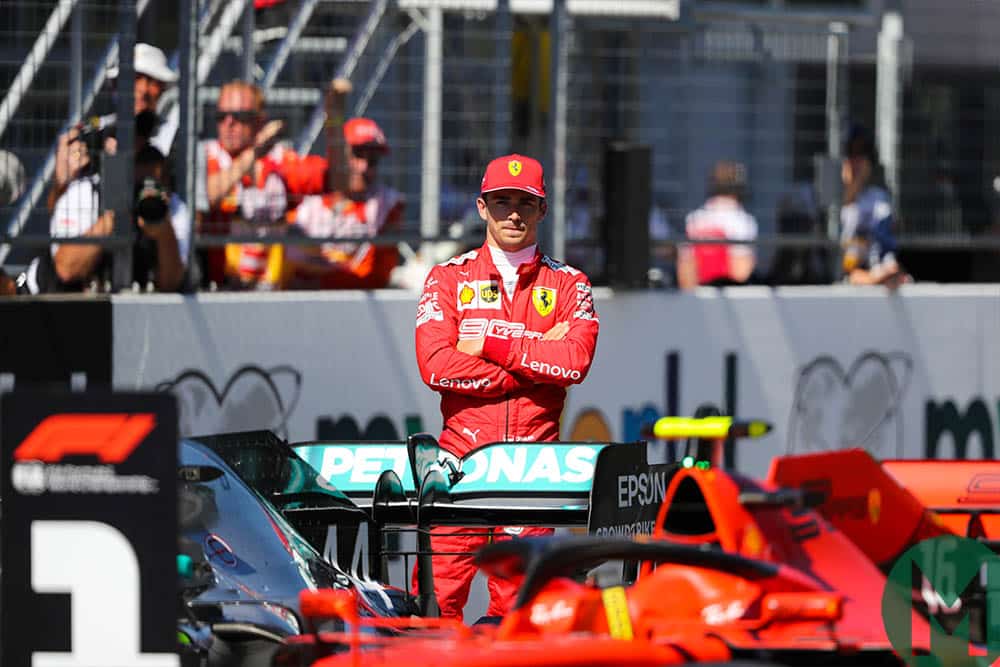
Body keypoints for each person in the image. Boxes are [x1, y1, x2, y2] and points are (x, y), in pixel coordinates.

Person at [413, 153, 600, 620]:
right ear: (481, 207)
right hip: (459, 466)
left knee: (518, 622)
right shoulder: (447, 278)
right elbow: (435, 366)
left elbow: (574, 362)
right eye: (501, 202)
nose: (513, 213)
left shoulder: (571, 284)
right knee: (431, 615)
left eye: (525, 202)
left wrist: (489, 342)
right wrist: (533, 356)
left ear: (543, 210)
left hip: (532, 471)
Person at [23, 111, 190, 294]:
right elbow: (66, 269)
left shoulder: (174, 208)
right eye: (136, 157)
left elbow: (171, 283)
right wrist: (114, 216)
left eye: (150, 156)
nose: (143, 173)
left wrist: (163, 230)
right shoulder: (84, 193)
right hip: (51, 303)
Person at [288, 115, 405, 289]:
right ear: (338, 156)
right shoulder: (309, 197)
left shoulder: (386, 205)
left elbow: (373, 276)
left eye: (372, 161)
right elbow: (286, 258)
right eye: (357, 155)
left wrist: (317, 273)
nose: (364, 167)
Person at [198, 80, 289, 290]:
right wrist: (253, 155)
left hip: (270, 290)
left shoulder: (282, 160)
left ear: (259, 121)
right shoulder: (205, 155)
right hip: (213, 288)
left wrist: (334, 117)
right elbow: (207, 196)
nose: (229, 123)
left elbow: (339, 183)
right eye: (221, 117)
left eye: (239, 117)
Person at [839, 125, 911, 287]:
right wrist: (854, 181)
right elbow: (848, 266)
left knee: (890, 268)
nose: (856, 162)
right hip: (852, 273)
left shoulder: (879, 198)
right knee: (853, 272)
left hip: (878, 264)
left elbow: (886, 239)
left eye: (861, 154)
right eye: (852, 154)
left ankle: (884, 276)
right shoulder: (841, 200)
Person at [676, 160, 758, 288]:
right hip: (727, 299)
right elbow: (741, 272)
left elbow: (685, 270)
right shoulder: (742, 221)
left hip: (698, 297)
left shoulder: (694, 218)